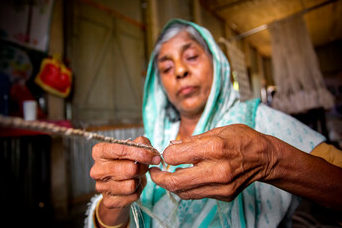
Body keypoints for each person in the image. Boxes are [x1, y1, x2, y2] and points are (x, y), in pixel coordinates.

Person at [85, 19, 342, 228]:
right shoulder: (149, 145)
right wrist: (111, 205)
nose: (180, 71)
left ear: (217, 64)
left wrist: (271, 159)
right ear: (159, 84)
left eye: (192, 56)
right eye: (166, 67)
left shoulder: (261, 124)